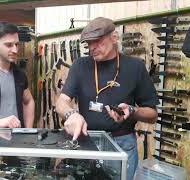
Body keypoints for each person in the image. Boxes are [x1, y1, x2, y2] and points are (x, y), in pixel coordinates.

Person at [56, 17, 159, 180]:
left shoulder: (135, 67)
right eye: (88, 43)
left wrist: (132, 111)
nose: (92, 48)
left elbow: (152, 115)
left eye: (97, 41)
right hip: (87, 144)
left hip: (122, 145)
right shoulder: (80, 66)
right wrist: (71, 114)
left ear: (114, 37)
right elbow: (61, 102)